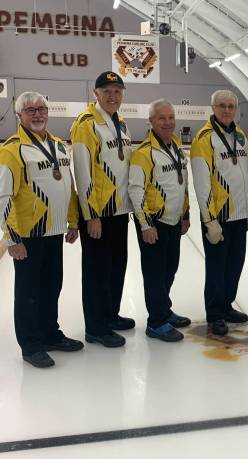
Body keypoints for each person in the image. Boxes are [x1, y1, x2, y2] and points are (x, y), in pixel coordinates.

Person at [0, 92, 83, 368]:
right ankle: (31, 344)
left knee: (51, 288)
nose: (37, 114)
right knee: (28, 293)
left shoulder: (58, 145)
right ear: (19, 115)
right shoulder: (12, 149)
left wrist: (72, 222)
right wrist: (12, 238)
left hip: (54, 232)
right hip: (29, 235)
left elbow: (67, 186)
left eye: (42, 109)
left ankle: (50, 334)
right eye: (30, 110)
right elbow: (3, 197)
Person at [71, 71, 134, 348]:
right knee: (97, 271)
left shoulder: (121, 123)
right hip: (99, 214)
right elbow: (83, 173)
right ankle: (96, 327)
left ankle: (110, 315)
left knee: (116, 267)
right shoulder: (86, 124)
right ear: (95, 94)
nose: (112, 96)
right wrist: (91, 214)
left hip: (120, 211)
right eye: (106, 91)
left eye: (117, 91)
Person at [129, 99, 191, 342]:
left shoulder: (175, 145)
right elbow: (136, 191)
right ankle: (156, 322)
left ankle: (164, 310)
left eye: (171, 117)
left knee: (169, 269)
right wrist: (145, 225)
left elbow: (183, 183)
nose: (168, 122)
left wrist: (185, 215)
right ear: (151, 122)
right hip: (154, 222)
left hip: (174, 220)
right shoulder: (144, 154)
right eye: (162, 118)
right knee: (155, 274)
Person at [190, 90, 248, 336]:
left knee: (235, 264)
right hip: (218, 217)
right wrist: (209, 219)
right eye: (222, 106)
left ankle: (227, 305)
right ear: (213, 107)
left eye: (231, 106)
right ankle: (215, 313)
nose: (227, 110)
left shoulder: (240, 135)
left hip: (239, 215)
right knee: (216, 268)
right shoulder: (204, 139)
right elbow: (202, 183)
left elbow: (246, 174)